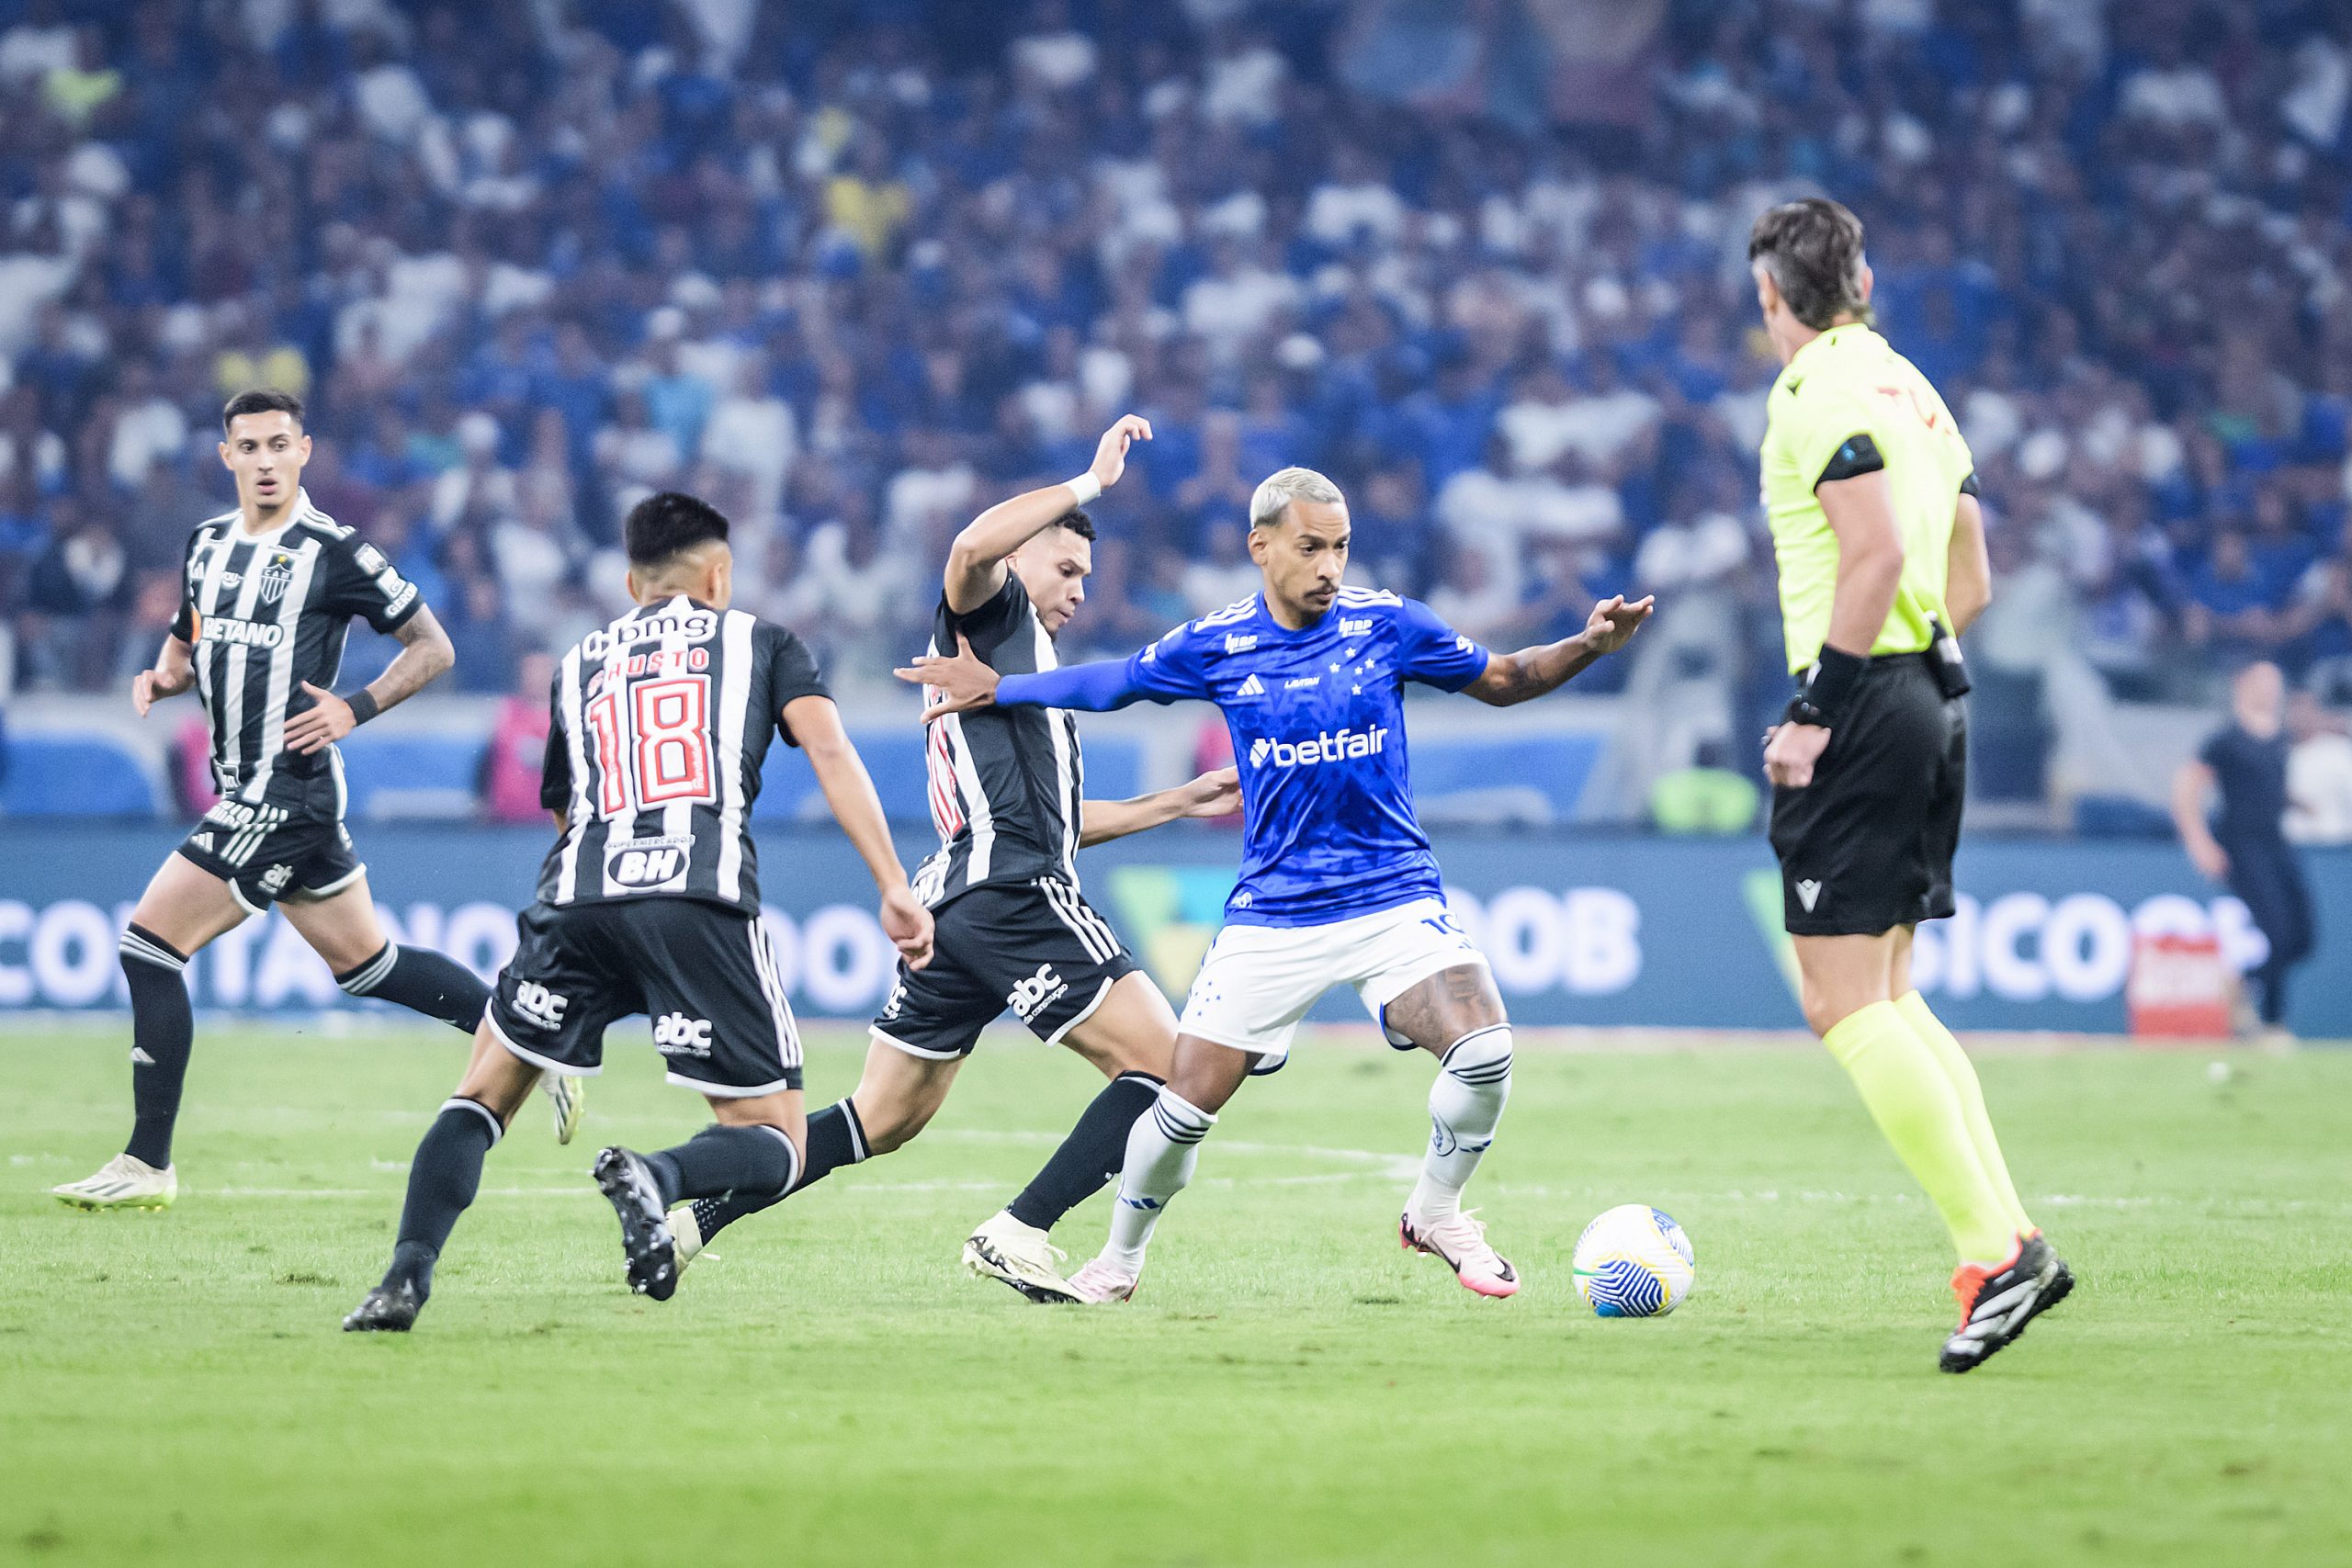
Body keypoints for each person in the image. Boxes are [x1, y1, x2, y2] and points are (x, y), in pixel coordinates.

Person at [904, 466, 1653, 1303]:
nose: (1329, 566)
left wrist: (1588, 645)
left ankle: (1437, 1210)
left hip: (1392, 893)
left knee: (1485, 1050)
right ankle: (1116, 1262)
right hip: (1273, 916)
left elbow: (1507, 680)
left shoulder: (1388, 624)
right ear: (1261, 548)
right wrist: (1004, 687)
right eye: (1310, 547)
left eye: (1340, 547)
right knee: (1180, 1106)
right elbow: (1116, 684)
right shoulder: (1219, 643)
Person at [668, 416, 1240, 1303]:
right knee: (1170, 1068)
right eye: (1067, 566)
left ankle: (692, 1218)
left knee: (882, 1118)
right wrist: (1089, 483)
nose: (1080, 588)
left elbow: (1052, 819)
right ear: (1023, 560)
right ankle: (1019, 1230)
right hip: (1013, 893)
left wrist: (1177, 800)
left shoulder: (1027, 669)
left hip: (957, 907)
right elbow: (972, 545)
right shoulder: (994, 614)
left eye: (1087, 574)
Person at [343, 491, 933, 1331]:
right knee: (777, 1141)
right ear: (720, 573)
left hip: (576, 896)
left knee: (479, 1096)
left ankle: (403, 1277)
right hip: (698, 894)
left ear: (632, 581)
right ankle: (655, 1178)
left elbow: (561, 804)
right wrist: (893, 882)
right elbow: (831, 749)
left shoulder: (579, 660)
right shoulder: (763, 641)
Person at [51, 390, 530, 1213]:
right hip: (245, 786)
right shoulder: (204, 543)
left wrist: (355, 706)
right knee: (367, 964)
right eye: (250, 445)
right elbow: (188, 634)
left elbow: (434, 645)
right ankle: (529, 1036)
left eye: (280, 443)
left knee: (148, 946)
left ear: (303, 451)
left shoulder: (333, 550)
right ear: (228, 455)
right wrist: (165, 676)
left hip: (288, 788)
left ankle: (147, 1162)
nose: (266, 459)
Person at [1747, 198, 2072, 1373]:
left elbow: (1877, 548)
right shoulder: (1911, 386)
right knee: (1888, 993)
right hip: (1934, 689)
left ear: (1774, 298)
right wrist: (1910, 665)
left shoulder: (1811, 391)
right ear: (1866, 280)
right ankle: (2011, 1237)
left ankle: (1996, 1255)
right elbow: (1967, 570)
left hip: (1867, 701)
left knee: (1840, 1002)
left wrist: (1816, 711)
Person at [2171, 662, 2316, 1038]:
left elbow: (2269, 788)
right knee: (2278, 934)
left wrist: (2298, 804)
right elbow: (2187, 789)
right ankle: (2273, 1024)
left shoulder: (2280, 737)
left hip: (2277, 843)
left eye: (2276, 683)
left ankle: (2242, 981)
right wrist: (2200, 843)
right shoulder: (2226, 740)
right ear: (2243, 686)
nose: (2270, 691)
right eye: (2262, 683)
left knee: (2303, 939)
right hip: (2242, 846)